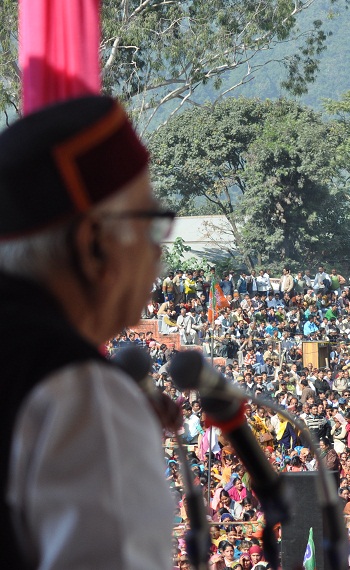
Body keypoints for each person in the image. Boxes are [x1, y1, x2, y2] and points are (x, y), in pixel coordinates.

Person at [0, 96, 176, 568]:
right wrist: (109, 424)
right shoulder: (77, 392)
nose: (158, 253)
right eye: (151, 225)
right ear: (94, 245)